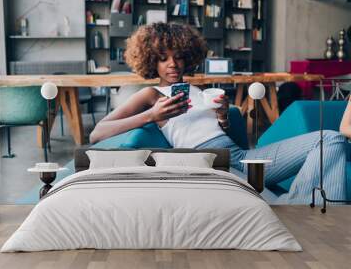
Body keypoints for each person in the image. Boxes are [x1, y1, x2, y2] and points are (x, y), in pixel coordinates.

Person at [90, 23, 347, 204]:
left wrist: (223, 116)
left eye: (178, 56)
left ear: (187, 57)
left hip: (241, 157)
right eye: (163, 58)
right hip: (214, 166)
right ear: (151, 61)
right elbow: (96, 133)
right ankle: (299, 206)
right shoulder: (151, 95)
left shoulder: (200, 91)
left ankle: (306, 207)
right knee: (271, 201)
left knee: (331, 139)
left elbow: (218, 131)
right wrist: (151, 115)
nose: (172, 64)